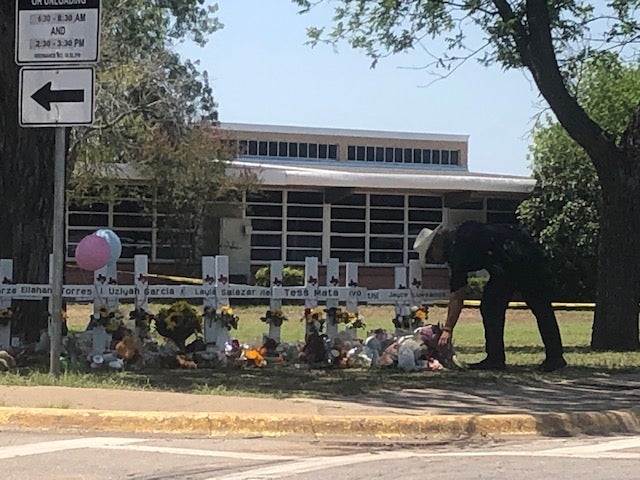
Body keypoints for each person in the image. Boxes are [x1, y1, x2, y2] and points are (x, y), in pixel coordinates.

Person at [413, 221, 567, 372]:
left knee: (533, 307)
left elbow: (458, 296)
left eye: (431, 256)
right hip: (516, 259)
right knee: (496, 307)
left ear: (436, 245)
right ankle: (503, 358)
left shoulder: (457, 249)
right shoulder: (460, 236)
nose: (435, 261)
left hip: (520, 262)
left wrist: (447, 330)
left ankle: (504, 358)